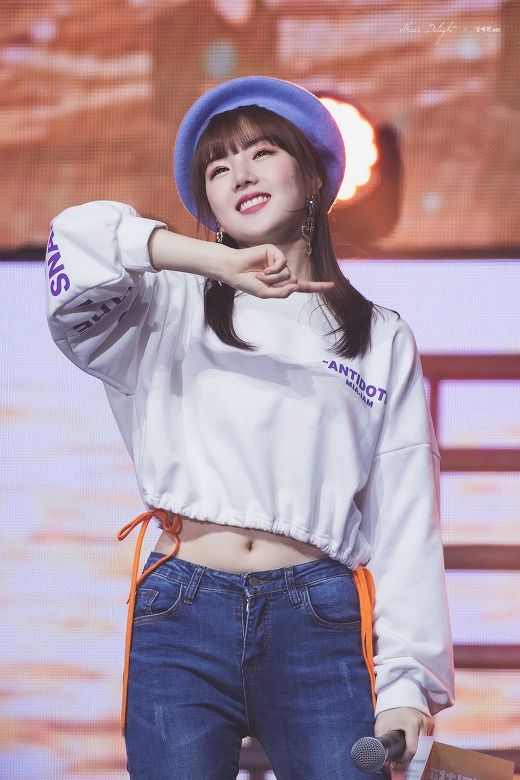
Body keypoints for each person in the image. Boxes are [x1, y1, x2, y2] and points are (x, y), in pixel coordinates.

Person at [44, 75, 455, 779]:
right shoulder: (164, 303)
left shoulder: (380, 336)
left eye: (262, 152)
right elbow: (76, 239)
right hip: (183, 610)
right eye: (218, 167)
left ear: (313, 175)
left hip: (318, 617)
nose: (240, 174)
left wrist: (407, 684)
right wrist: (217, 260)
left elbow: (406, 515)